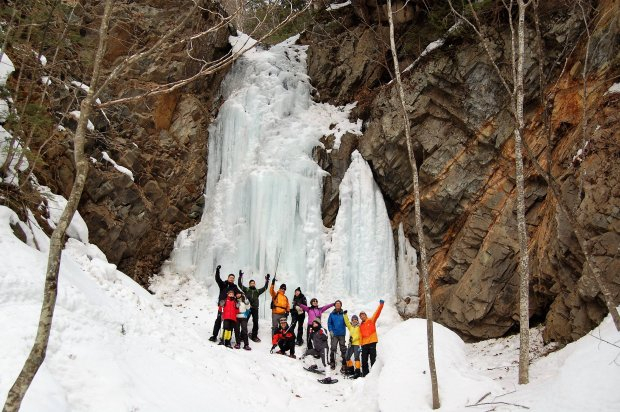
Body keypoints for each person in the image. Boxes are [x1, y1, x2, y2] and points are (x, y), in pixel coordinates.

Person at [209, 265, 241, 342]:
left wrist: (240, 294)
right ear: (228, 278)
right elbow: (217, 279)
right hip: (222, 306)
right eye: (230, 277)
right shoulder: (223, 284)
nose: (232, 279)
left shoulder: (234, 287)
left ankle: (226, 339)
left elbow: (239, 293)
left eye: (233, 278)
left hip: (230, 308)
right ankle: (214, 336)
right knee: (218, 320)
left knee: (228, 324)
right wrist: (217, 270)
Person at [238, 270, 270, 342]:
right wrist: (240, 277)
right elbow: (239, 284)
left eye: (253, 283)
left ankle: (254, 336)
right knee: (244, 322)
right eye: (251, 283)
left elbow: (265, 288)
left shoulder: (257, 291)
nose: (252, 284)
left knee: (255, 322)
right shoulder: (246, 289)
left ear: (255, 284)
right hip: (247, 308)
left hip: (255, 309)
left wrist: (267, 280)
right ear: (249, 284)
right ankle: (242, 336)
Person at [359, 300, 384, 377]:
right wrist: (360, 345)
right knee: (364, 360)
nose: (362, 316)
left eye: (363, 315)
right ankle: (365, 375)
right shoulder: (360, 326)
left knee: (373, 359)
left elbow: (377, 313)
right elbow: (360, 336)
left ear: (365, 315)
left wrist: (381, 305)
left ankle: (374, 375)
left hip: (372, 342)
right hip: (364, 345)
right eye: (361, 316)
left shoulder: (371, 320)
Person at [327, 300, 346, 370]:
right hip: (334, 334)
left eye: (339, 304)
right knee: (333, 348)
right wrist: (330, 330)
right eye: (336, 304)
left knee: (343, 348)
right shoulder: (332, 314)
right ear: (334, 305)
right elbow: (329, 323)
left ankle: (344, 363)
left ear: (341, 305)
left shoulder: (344, 314)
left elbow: (347, 322)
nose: (337, 305)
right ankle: (332, 362)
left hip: (342, 334)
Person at [343, 311, 362, 379]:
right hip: (351, 344)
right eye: (353, 319)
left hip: (357, 344)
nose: (354, 320)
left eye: (355, 319)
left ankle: (357, 371)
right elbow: (347, 322)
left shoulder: (359, 327)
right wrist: (345, 315)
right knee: (347, 356)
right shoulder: (350, 327)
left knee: (357, 357)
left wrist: (353, 339)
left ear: (357, 320)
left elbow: (360, 336)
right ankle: (351, 370)